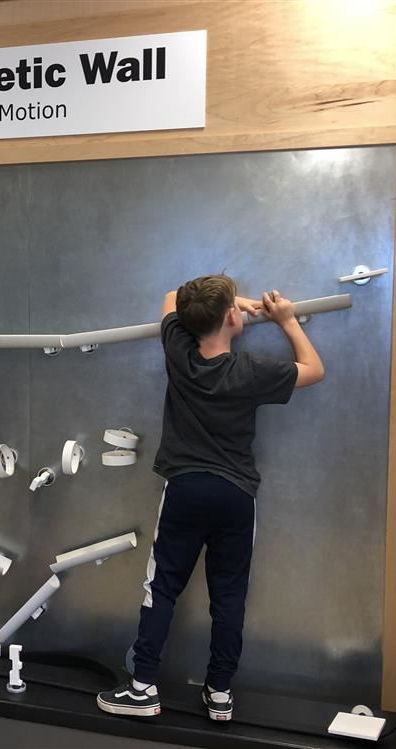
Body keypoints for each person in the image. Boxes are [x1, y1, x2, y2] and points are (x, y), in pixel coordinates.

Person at [97, 275, 324, 721]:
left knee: (161, 588)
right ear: (232, 319)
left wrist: (228, 304)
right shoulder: (251, 370)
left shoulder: (179, 351)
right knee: (230, 595)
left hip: (185, 488)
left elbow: (168, 297)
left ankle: (143, 687)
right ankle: (219, 693)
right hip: (236, 493)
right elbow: (314, 369)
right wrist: (285, 320)